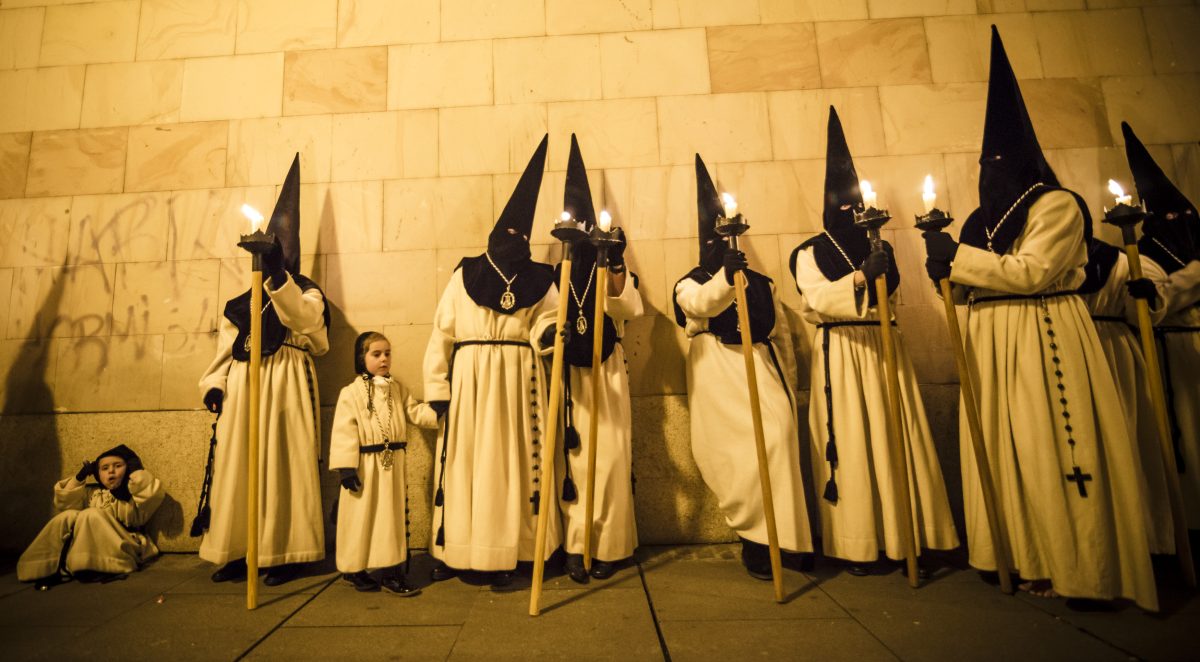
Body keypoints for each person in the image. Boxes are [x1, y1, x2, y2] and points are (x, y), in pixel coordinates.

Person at [922, 28, 1156, 610]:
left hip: (1042, 331)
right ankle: (1020, 553)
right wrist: (943, 276)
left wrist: (960, 260)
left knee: (1054, 447)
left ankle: (1082, 567)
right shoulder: (979, 220)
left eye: (1002, 162)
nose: (992, 172)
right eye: (986, 163)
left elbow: (1033, 272)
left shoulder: (1056, 204)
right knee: (1008, 452)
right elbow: (964, 291)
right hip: (992, 344)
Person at [791, 107, 959, 577]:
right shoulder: (809, 251)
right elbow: (817, 299)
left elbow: (895, 294)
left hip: (884, 350)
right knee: (854, 445)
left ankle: (908, 537)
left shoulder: (876, 242)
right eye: (841, 205)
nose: (849, 212)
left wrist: (877, 266)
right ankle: (859, 544)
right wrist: (862, 277)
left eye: (854, 204)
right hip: (842, 354)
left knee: (894, 440)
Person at [423, 135, 562, 588]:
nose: (512, 240)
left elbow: (551, 321)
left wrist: (545, 334)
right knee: (467, 463)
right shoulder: (465, 273)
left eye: (519, 236)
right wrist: (437, 390)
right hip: (470, 382)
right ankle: (462, 550)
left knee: (513, 465)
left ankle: (514, 552)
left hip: (519, 382)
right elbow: (442, 333)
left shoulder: (541, 278)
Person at [672, 153, 813, 580]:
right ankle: (756, 538)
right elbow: (700, 305)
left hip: (760, 370)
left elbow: (781, 336)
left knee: (778, 439)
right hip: (718, 377)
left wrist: (788, 381)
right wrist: (723, 280)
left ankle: (789, 537)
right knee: (736, 459)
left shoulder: (763, 283)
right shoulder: (691, 281)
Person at [198, 155, 330, 586]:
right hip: (244, 383)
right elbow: (225, 350)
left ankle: (282, 552)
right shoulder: (241, 302)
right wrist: (214, 384)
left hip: (287, 379)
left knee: (282, 465)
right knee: (240, 467)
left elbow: (308, 326)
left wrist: (277, 277)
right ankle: (239, 548)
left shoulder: (306, 291)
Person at [534, 135, 642, 583]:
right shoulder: (551, 276)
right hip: (567, 379)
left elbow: (628, 307)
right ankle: (578, 549)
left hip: (605, 375)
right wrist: (549, 334)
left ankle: (610, 547)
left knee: (610, 460)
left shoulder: (607, 267)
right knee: (572, 465)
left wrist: (613, 262)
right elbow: (537, 324)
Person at [1123, 120, 1200, 529]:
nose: (1179, 220)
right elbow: (1152, 301)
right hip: (1171, 358)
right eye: (1170, 215)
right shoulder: (1143, 257)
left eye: (1185, 214)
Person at [1077, 236, 1174, 554]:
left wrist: (1147, 298)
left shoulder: (1122, 262)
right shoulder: (1053, 261)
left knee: (1126, 439)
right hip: (1073, 353)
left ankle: (1140, 537)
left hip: (1114, 355)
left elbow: (1146, 316)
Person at [330, 331, 439, 594]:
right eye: (376, 354)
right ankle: (353, 568)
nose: (384, 359)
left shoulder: (397, 389)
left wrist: (440, 410)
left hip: (392, 465)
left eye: (387, 353)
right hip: (364, 466)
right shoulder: (351, 393)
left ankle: (391, 570)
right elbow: (344, 430)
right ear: (361, 358)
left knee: (390, 518)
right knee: (360, 517)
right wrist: (346, 468)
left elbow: (414, 411)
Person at [18, 445, 164, 590]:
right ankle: (41, 565)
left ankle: (99, 563)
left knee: (91, 514)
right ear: (97, 473)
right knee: (68, 516)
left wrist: (136, 471)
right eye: (104, 468)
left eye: (118, 466)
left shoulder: (133, 494)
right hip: (85, 545)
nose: (111, 471)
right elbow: (65, 504)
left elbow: (149, 492)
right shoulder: (93, 493)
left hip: (124, 541)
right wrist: (79, 477)